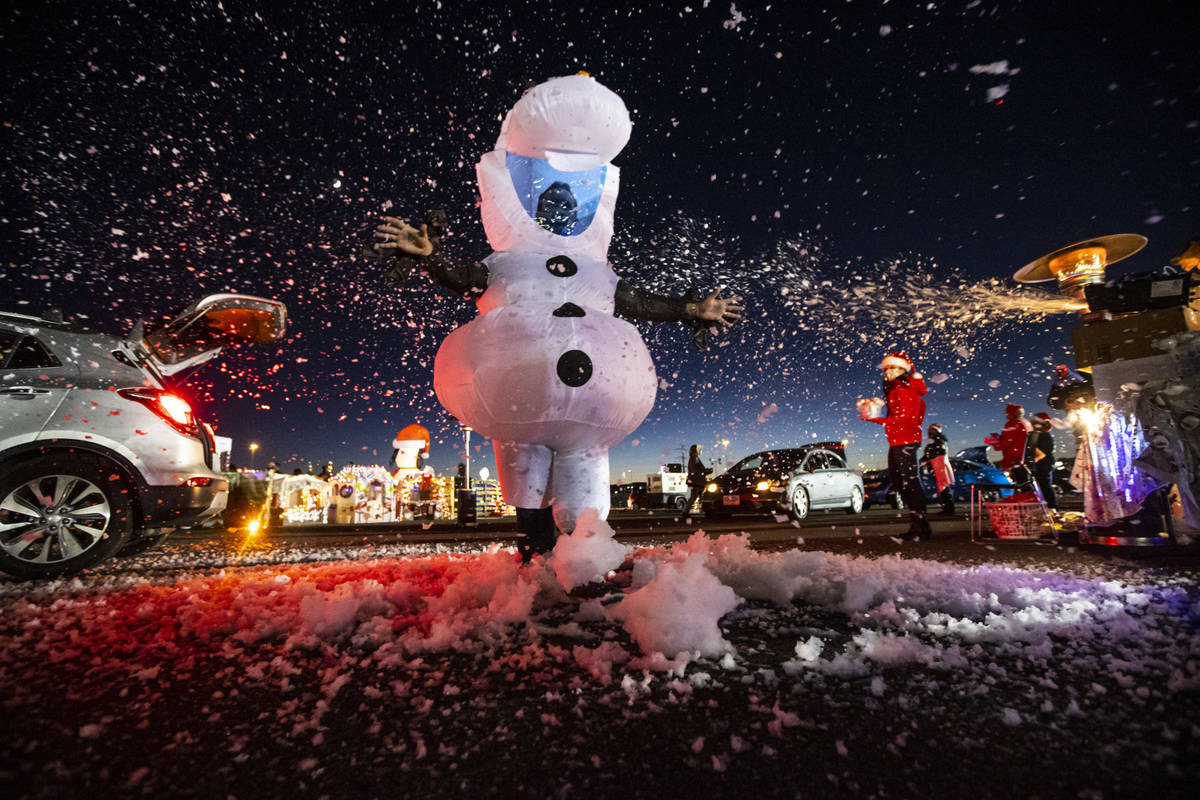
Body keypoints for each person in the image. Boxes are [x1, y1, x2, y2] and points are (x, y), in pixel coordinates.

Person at [369, 75, 744, 562]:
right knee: (526, 479)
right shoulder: (506, 263)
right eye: (551, 200)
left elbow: (639, 302)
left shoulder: (596, 271)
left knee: (584, 494)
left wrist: (692, 309)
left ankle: (581, 562)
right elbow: (465, 278)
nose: (561, 209)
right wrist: (429, 258)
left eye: (568, 201)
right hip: (523, 395)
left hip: (586, 406)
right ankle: (539, 553)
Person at [859, 351, 930, 539]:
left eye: (892, 368)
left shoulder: (905, 390)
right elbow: (900, 415)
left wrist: (877, 419)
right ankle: (919, 523)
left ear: (902, 370)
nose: (887, 372)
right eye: (886, 369)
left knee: (909, 482)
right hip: (899, 440)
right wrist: (877, 408)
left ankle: (920, 526)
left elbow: (906, 418)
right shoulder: (896, 389)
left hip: (905, 440)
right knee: (899, 481)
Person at [921, 423, 956, 516]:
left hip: (940, 466)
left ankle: (949, 509)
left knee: (944, 486)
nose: (929, 431)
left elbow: (939, 452)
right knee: (943, 487)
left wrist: (926, 457)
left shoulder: (938, 441)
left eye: (931, 429)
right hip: (937, 466)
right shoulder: (935, 441)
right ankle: (948, 508)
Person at [1029, 412, 1059, 510]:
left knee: (1045, 486)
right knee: (1040, 486)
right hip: (1038, 465)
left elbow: (1044, 451)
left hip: (1044, 464)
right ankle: (1044, 507)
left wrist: (1034, 456)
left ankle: (1052, 507)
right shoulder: (1036, 435)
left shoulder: (1045, 435)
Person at [999, 403, 1032, 471]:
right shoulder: (1026, 423)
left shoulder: (1012, 424)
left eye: (1007, 413)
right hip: (1025, 459)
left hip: (1013, 459)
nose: (1006, 415)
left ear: (1012, 413)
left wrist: (994, 441)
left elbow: (1005, 442)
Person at [685, 444, 713, 513]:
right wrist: (707, 471)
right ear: (696, 450)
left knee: (696, 496)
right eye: (699, 449)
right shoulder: (694, 458)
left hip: (696, 481)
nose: (700, 450)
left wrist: (705, 471)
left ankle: (686, 511)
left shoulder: (694, 458)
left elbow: (697, 470)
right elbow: (696, 470)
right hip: (696, 482)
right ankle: (685, 512)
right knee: (695, 496)